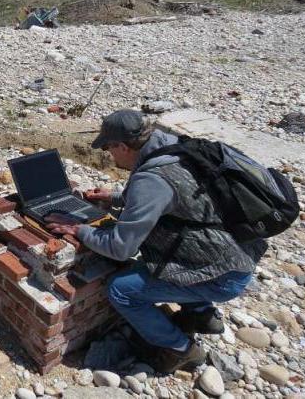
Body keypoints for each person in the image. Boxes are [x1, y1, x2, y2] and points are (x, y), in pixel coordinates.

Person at [45, 109, 268, 373]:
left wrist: (79, 230)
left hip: (224, 276)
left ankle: (180, 349)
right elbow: (172, 198)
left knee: (121, 289)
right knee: (157, 255)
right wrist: (115, 197)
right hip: (234, 250)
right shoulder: (172, 147)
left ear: (123, 146)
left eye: (108, 148)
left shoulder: (150, 179)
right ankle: (201, 315)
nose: (108, 154)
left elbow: (120, 248)